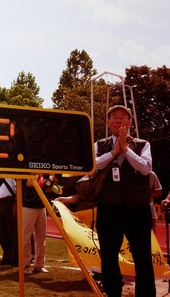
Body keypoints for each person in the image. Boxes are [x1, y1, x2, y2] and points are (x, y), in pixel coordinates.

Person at [95, 105, 155, 297]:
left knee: (143, 257)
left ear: (130, 123)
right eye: (114, 117)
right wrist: (113, 152)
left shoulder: (143, 144)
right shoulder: (99, 145)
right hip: (108, 209)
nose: (118, 120)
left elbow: (146, 168)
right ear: (108, 123)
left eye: (123, 117)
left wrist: (125, 149)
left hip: (137, 210)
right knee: (109, 257)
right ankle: (113, 293)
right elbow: (93, 166)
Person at [21, 176, 48, 275]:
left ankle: (39, 265)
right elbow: (29, 183)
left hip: (41, 206)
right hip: (27, 207)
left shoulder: (43, 174)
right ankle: (25, 266)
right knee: (25, 238)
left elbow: (49, 188)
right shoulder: (25, 172)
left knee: (41, 237)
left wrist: (50, 182)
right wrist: (41, 176)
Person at [0, 178, 18, 266]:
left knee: (13, 231)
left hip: (10, 200)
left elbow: (18, 187)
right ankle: (7, 256)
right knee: (2, 232)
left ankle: (16, 258)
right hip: (0, 202)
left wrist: (16, 203)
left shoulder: (12, 172)